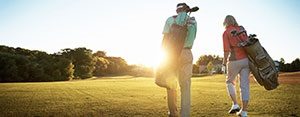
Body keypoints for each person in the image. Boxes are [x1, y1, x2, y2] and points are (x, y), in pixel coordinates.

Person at [161, 3, 197, 117]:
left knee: (171, 84)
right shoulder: (193, 21)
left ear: (177, 10)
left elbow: (165, 40)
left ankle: (173, 113)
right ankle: (185, 115)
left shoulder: (170, 20)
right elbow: (193, 37)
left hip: (171, 54)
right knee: (185, 87)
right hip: (186, 52)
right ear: (187, 10)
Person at [222, 15, 250, 117]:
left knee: (229, 82)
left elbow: (226, 50)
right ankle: (244, 112)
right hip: (246, 60)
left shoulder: (226, 32)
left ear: (225, 22)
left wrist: (224, 62)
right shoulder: (242, 29)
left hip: (234, 60)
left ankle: (235, 104)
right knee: (244, 86)